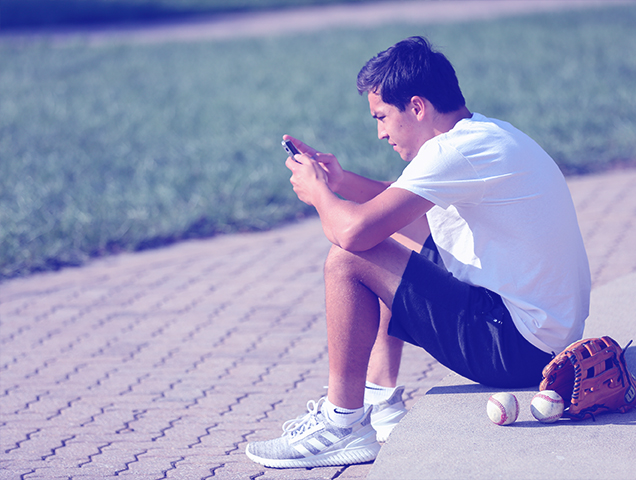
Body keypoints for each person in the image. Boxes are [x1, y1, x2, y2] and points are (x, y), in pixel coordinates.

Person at [245, 36, 590, 469]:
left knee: (350, 258)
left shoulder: (454, 151)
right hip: (542, 341)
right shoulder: (481, 135)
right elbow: (405, 216)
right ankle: (380, 400)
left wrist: (317, 195)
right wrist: (339, 182)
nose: (380, 132)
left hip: (518, 348)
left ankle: (343, 423)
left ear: (417, 106)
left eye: (382, 117)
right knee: (396, 242)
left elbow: (352, 233)